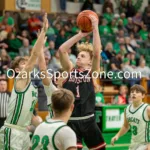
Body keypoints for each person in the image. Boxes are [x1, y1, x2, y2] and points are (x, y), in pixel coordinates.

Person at [0, 13, 48, 150]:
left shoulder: (32, 87)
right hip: (12, 130)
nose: (26, 65)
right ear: (15, 70)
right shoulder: (19, 79)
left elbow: (30, 114)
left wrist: (41, 124)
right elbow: (34, 57)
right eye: (22, 63)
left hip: (24, 131)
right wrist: (43, 32)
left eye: (26, 63)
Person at [58, 15, 106, 149]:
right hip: (71, 121)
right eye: (78, 55)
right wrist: (80, 35)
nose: (78, 57)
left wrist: (95, 27)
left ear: (90, 61)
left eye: (82, 56)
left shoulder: (92, 72)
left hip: (89, 120)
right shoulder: (69, 69)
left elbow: (97, 53)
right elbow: (62, 50)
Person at [111, 84, 150, 150]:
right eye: (132, 92)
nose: (134, 94)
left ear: (143, 95)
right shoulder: (127, 109)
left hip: (145, 144)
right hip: (133, 143)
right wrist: (117, 135)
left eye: (137, 92)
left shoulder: (147, 109)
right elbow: (126, 126)